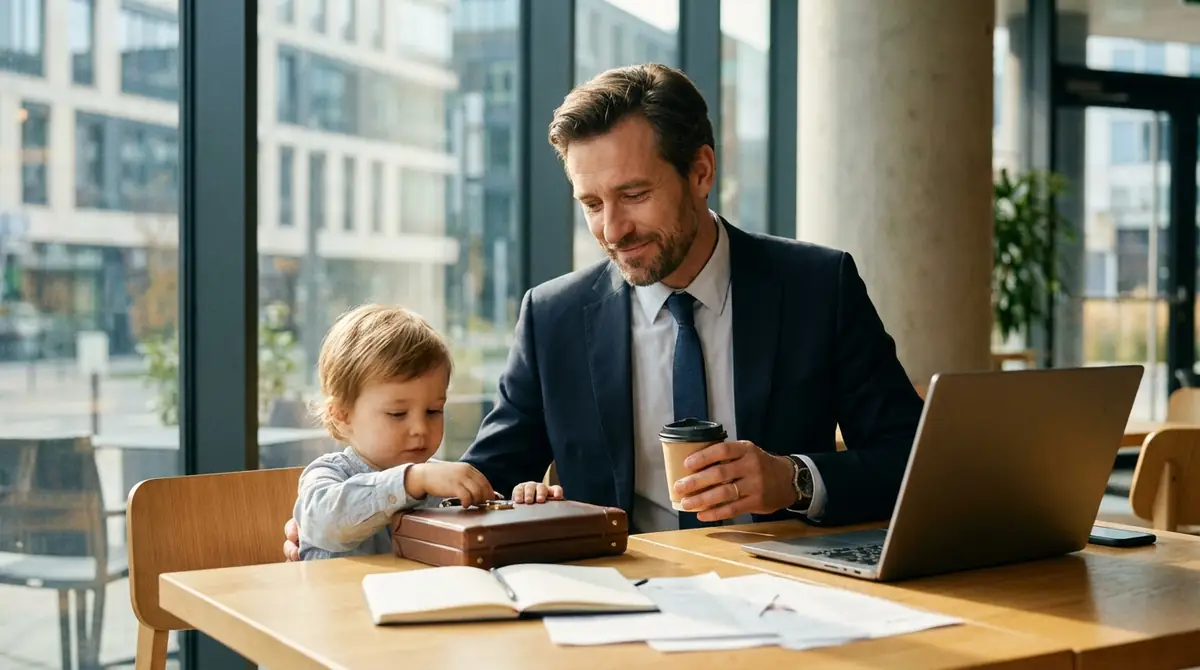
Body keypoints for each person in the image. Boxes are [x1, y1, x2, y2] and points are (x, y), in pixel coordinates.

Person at [285, 63, 921, 557]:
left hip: (789, 592)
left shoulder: (818, 285)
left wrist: (794, 481)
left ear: (701, 171)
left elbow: (913, 462)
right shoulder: (553, 317)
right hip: (609, 610)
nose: (612, 229)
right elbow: (481, 483)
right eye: (591, 204)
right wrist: (341, 526)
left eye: (634, 194)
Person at [290, 304, 561, 560]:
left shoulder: (440, 482)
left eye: (433, 411)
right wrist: (410, 481)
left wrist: (524, 504)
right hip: (342, 607)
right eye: (397, 414)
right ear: (342, 416)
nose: (420, 429)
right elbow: (323, 522)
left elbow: (484, 537)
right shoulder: (328, 475)